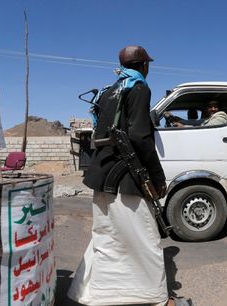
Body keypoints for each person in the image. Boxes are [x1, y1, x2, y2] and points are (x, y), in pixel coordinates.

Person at [69, 45, 191, 306]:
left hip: (102, 175)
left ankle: (95, 294)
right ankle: (158, 299)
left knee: (108, 237)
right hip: (124, 178)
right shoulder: (138, 88)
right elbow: (140, 137)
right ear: (145, 66)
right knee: (144, 239)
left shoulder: (108, 90)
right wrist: (158, 179)